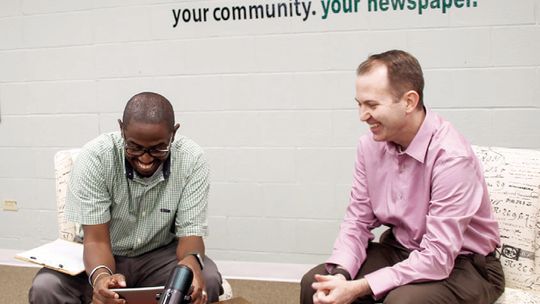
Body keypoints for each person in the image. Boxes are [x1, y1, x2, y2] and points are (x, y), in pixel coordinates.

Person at [300, 50, 505, 304]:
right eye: (359, 104)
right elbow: (357, 221)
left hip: (464, 265)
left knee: (403, 301)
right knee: (315, 283)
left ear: (409, 101)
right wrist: (342, 274)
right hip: (401, 249)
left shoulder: (452, 157)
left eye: (372, 105)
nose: (362, 116)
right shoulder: (369, 147)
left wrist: (361, 286)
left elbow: (439, 256)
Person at [29, 92, 223, 304]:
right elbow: (96, 240)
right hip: (101, 251)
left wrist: (191, 264)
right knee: (46, 287)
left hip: (158, 254)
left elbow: (191, 236)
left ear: (173, 134)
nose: (146, 158)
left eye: (158, 148)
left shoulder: (192, 159)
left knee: (208, 279)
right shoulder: (95, 157)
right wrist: (102, 278)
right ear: (121, 129)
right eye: (135, 147)